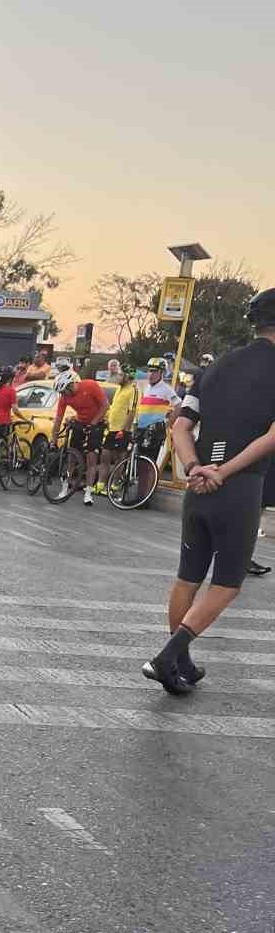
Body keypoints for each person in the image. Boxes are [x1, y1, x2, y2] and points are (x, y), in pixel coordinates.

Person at [141, 288, 275, 693]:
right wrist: (227, 471)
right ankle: (168, 657)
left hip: (198, 487)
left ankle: (181, 661)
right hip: (241, 487)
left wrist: (196, 468)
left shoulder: (214, 367)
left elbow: (181, 426)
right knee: (228, 583)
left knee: (187, 577)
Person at [51, 370, 108, 505]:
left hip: (97, 423)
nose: (63, 395)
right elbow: (58, 420)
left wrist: (93, 424)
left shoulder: (90, 386)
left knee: (91, 458)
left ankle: (88, 493)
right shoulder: (64, 397)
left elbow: (105, 406)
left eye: (64, 391)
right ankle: (64, 489)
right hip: (80, 422)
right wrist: (53, 441)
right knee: (71, 457)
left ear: (71, 385)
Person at [96, 362, 139, 492]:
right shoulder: (120, 388)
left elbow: (132, 411)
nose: (118, 377)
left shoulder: (133, 389)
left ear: (127, 375)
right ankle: (100, 485)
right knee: (105, 455)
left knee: (119, 459)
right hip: (112, 428)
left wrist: (124, 430)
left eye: (121, 374)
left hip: (122, 430)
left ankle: (113, 485)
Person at [135, 357, 180, 471]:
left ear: (162, 373)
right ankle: (141, 488)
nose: (151, 374)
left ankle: (148, 488)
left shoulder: (166, 389)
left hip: (155, 432)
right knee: (139, 463)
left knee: (149, 464)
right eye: (150, 370)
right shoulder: (146, 387)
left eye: (155, 371)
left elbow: (179, 406)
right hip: (142, 429)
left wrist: (167, 425)